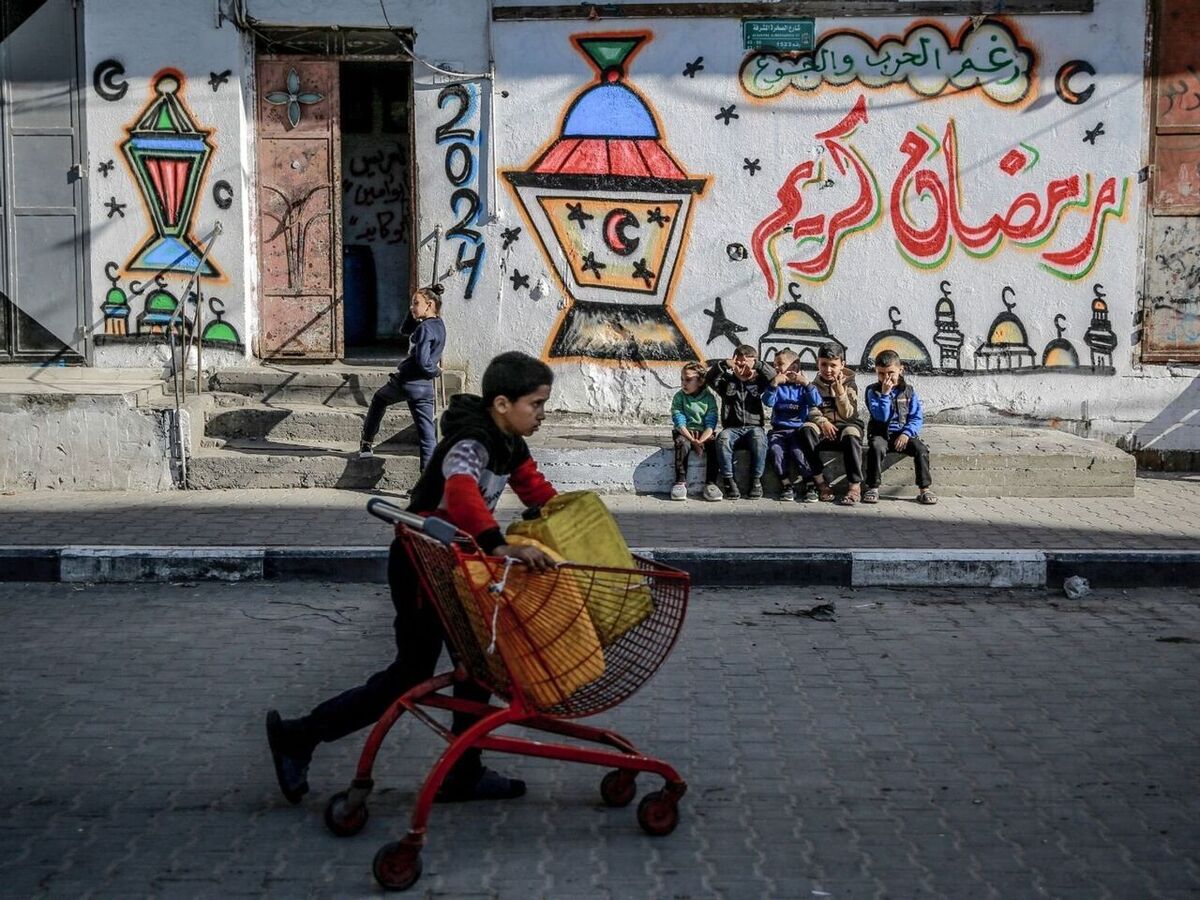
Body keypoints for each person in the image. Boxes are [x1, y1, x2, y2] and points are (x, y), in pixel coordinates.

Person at [269, 351, 559, 805]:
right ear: (503, 404)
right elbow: (461, 492)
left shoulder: (510, 443)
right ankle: (300, 735)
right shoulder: (472, 441)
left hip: (454, 564)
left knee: (477, 668)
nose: (543, 414)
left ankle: (464, 771)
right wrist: (498, 545)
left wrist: (576, 521)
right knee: (411, 674)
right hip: (423, 566)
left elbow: (536, 490)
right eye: (536, 404)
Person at [359, 285, 446, 469]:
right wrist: (413, 312)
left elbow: (422, 361)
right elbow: (405, 330)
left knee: (379, 399)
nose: (412, 307)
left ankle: (366, 443)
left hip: (406, 383)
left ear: (429, 304)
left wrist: (435, 370)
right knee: (427, 435)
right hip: (424, 388)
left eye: (416, 303)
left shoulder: (424, 329)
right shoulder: (439, 326)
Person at [863, 349, 938, 505]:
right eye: (881, 374)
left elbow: (916, 417)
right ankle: (873, 487)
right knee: (876, 448)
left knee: (921, 450)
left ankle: (924, 489)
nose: (886, 378)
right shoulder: (872, 391)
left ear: (900, 369)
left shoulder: (908, 391)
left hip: (903, 434)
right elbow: (881, 417)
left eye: (890, 373)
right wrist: (884, 394)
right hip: (881, 434)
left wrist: (906, 433)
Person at [706, 345, 776, 500]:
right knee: (722, 439)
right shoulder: (727, 382)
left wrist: (757, 365)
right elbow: (710, 378)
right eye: (739, 364)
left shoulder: (759, 381)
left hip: (754, 427)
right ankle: (728, 480)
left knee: (760, 440)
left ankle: (756, 480)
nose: (742, 368)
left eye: (746, 364)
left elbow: (773, 376)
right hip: (732, 428)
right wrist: (724, 364)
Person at [799, 343, 866, 506]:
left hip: (846, 425)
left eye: (833, 365)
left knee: (852, 433)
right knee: (806, 430)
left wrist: (840, 392)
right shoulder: (813, 386)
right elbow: (811, 410)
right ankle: (820, 482)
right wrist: (823, 422)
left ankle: (854, 486)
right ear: (818, 364)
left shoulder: (850, 384)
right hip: (823, 427)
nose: (828, 370)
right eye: (824, 365)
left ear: (842, 365)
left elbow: (849, 415)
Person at [762, 349, 821, 502]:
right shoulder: (777, 385)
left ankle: (809, 484)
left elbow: (816, 402)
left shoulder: (802, 386)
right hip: (778, 430)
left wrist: (807, 384)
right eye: (774, 365)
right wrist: (774, 384)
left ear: (794, 367)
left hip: (797, 430)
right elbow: (768, 402)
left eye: (780, 364)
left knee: (798, 453)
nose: (776, 368)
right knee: (776, 451)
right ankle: (786, 485)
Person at [669, 362, 721, 502]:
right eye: (682, 379)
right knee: (681, 443)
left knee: (715, 444)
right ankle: (680, 482)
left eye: (688, 380)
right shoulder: (679, 397)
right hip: (685, 432)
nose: (684, 383)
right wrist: (692, 440)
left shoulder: (709, 398)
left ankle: (711, 483)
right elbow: (679, 421)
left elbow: (711, 423)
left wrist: (701, 440)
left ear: (700, 381)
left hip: (703, 433)